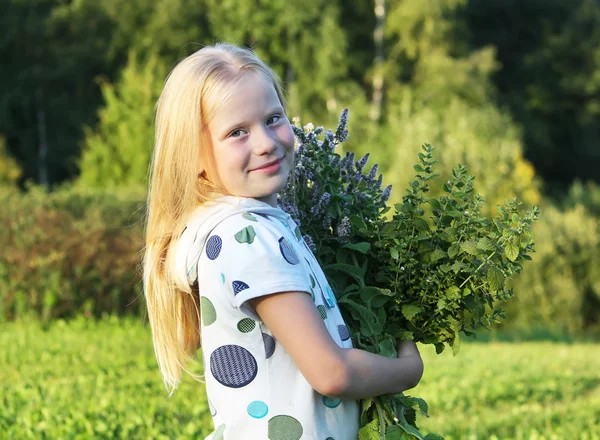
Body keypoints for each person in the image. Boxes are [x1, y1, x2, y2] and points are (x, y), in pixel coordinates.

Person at [143, 42, 424, 440]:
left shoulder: (241, 228)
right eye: (237, 132)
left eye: (273, 118)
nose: (265, 142)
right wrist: (407, 368)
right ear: (196, 159)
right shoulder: (247, 237)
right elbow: (331, 372)